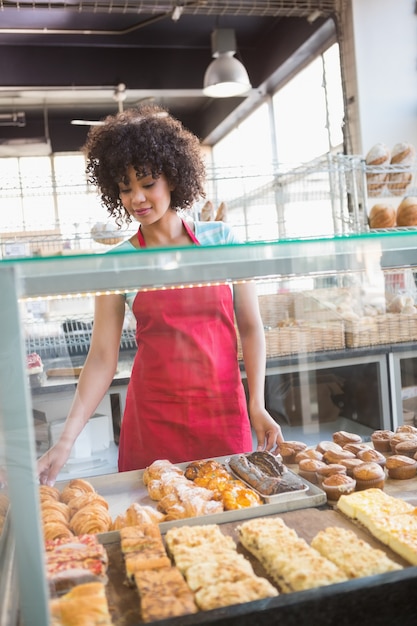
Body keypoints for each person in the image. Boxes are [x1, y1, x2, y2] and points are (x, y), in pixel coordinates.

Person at [38, 104, 283, 485]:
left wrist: (258, 403)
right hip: (152, 422)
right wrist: (65, 442)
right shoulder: (116, 262)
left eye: (147, 183)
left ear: (172, 176)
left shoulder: (222, 240)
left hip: (223, 414)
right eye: (125, 187)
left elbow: (250, 329)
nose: (137, 198)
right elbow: (102, 357)